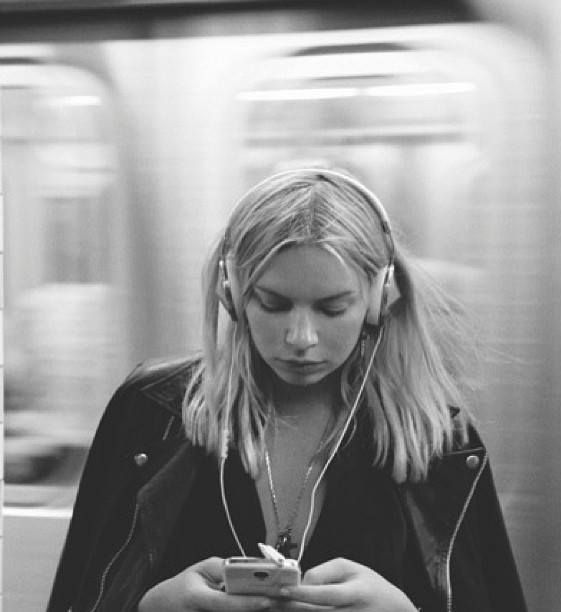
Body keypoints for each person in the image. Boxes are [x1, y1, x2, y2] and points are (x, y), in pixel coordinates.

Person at [47, 168, 527, 612]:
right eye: (273, 304)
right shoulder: (150, 413)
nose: (301, 338)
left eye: (332, 308)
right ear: (232, 296)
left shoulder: (441, 443)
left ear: (380, 301)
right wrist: (147, 606)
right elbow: (77, 594)